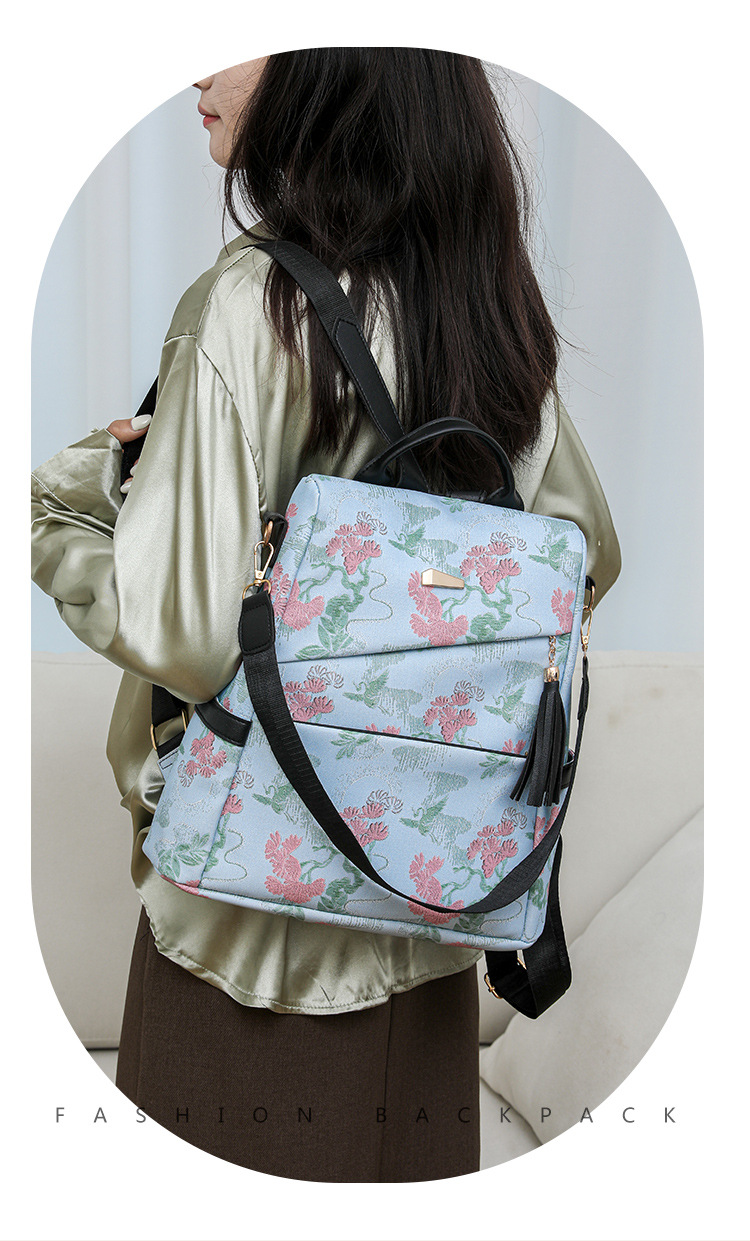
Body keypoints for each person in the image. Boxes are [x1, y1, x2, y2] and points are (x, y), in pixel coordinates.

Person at [30, 49, 621, 1181]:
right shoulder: (482, 299)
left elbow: (184, 631)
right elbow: (580, 555)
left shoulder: (248, 305)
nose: (195, 66)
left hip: (248, 939)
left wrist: (63, 508)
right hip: (431, 922)